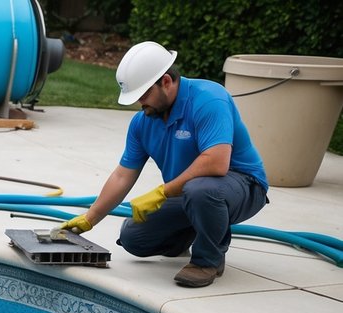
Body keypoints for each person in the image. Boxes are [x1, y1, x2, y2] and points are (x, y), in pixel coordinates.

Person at [61, 41, 268, 288]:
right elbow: (122, 176)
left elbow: (216, 162)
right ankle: (196, 230)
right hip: (190, 192)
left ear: (166, 82)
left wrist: (163, 192)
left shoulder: (209, 100)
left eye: (144, 95)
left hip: (243, 185)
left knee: (201, 190)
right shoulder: (143, 122)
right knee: (133, 238)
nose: (141, 103)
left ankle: (207, 260)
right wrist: (90, 218)